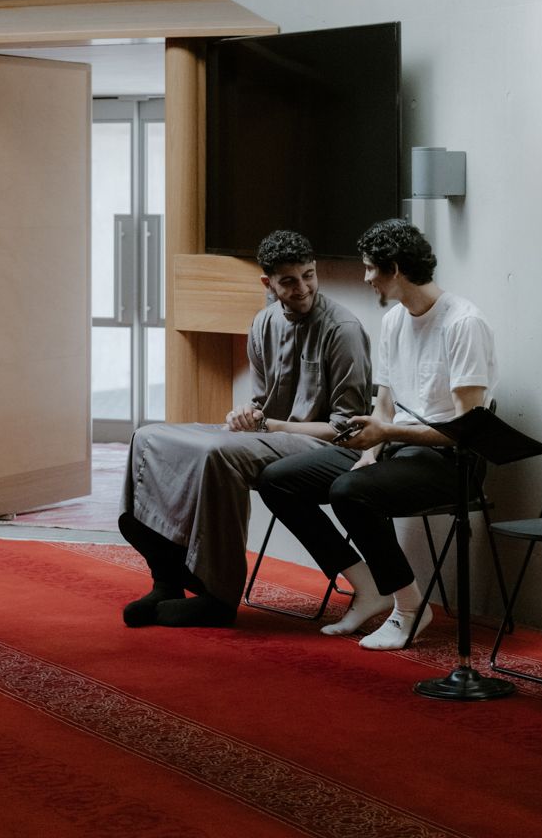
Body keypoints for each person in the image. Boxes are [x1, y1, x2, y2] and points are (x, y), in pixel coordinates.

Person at [257, 218, 496, 650]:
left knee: (350, 492)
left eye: (370, 268)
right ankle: (368, 588)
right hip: (393, 448)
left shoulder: (463, 323)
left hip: (450, 460)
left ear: (396, 270)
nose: (365, 278)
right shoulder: (393, 322)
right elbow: (384, 404)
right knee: (277, 480)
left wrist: (385, 435)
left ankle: (409, 608)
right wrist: (374, 445)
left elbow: (469, 430)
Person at [118, 229, 371, 628]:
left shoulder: (343, 330)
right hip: (267, 436)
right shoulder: (263, 322)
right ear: (267, 283)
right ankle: (166, 579)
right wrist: (245, 414)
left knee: (217, 453)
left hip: (325, 447)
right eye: (289, 281)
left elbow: (350, 431)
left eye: (309, 275)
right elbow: (260, 405)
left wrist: (266, 423)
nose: (302, 288)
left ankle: (217, 596)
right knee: (150, 438)